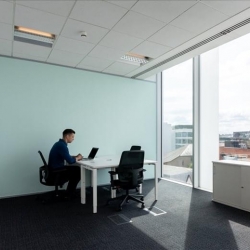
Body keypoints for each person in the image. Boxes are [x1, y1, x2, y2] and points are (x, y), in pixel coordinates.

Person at [48, 129, 83, 198]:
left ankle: (70, 191)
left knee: (76, 169)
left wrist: (74, 157)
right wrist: (78, 158)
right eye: (72, 137)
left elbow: (66, 156)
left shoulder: (59, 144)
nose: (73, 139)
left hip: (54, 169)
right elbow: (70, 161)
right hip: (57, 171)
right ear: (67, 136)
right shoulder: (62, 146)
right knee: (78, 171)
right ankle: (70, 193)